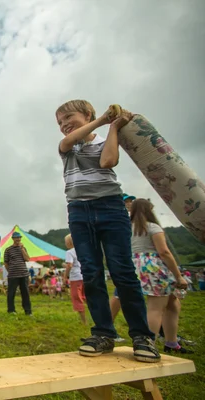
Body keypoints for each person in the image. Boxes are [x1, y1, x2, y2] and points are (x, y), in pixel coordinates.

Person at [56, 99, 159, 362]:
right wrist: (105, 120)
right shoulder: (68, 147)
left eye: (69, 118)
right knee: (91, 272)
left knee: (122, 271)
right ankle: (103, 333)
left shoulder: (104, 139)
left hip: (111, 208)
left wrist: (113, 128)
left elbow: (109, 160)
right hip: (79, 210)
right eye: (59, 122)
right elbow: (66, 143)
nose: (64, 124)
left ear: (87, 114)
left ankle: (141, 336)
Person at [130, 199, 192, 354]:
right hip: (154, 266)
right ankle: (148, 345)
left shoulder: (128, 228)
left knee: (173, 303)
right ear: (148, 210)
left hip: (137, 266)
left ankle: (171, 342)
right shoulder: (152, 227)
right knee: (155, 308)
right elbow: (164, 252)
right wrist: (179, 276)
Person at [3, 232, 32, 315]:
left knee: (25, 293)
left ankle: (28, 311)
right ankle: (11, 310)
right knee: (11, 293)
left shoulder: (23, 248)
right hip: (13, 275)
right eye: (16, 238)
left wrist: (22, 249)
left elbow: (27, 259)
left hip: (24, 274)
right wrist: (11, 270)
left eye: (19, 238)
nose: (18, 239)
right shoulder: (8, 250)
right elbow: (6, 263)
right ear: (13, 239)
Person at [63, 234, 87, 325]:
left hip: (76, 278)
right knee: (87, 297)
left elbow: (69, 265)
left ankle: (84, 321)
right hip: (84, 276)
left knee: (77, 298)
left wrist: (65, 276)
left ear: (69, 242)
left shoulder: (69, 252)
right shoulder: (82, 250)